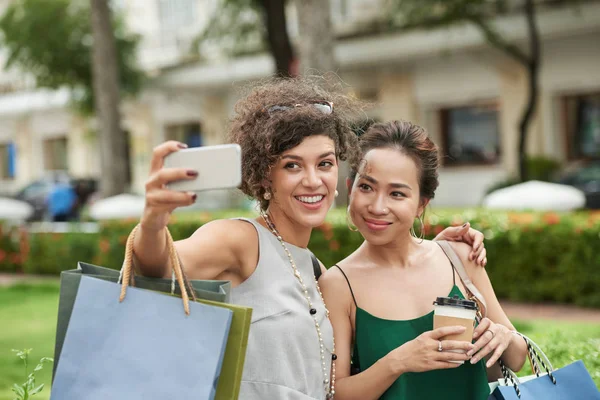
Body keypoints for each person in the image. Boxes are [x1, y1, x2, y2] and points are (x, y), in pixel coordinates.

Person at [133, 78, 487, 399]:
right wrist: (153, 222)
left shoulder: (315, 269)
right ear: (263, 176)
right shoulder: (240, 239)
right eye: (292, 165)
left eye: (325, 163)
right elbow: (157, 268)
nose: (313, 180)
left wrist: (431, 253)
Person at [320, 120, 528, 400]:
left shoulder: (460, 257)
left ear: (421, 204)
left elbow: (516, 358)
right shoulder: (337, 284)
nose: (377, 206)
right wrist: (399, 362)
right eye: (367, 187)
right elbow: (336, 393)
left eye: (397, 194)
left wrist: (504, 337)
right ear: (350, 187)